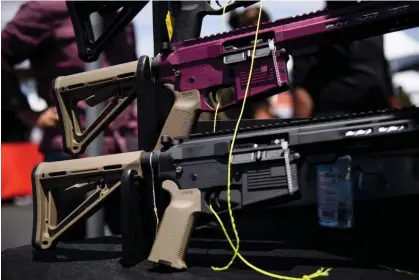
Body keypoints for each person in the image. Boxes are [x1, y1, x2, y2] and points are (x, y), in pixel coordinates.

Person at [2, 1, 138, 236]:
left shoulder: (124, 12)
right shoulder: (48, 7)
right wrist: (25, 110)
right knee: (69, 256)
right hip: (72, 154)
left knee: (137, 251)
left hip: (129, 151)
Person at [291, 1, 400, 118]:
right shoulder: (310, 30)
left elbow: (384, 75)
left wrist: (397, 116)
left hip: (380, 117)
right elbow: (302, 91)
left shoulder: (374, 21)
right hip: (335, 122)